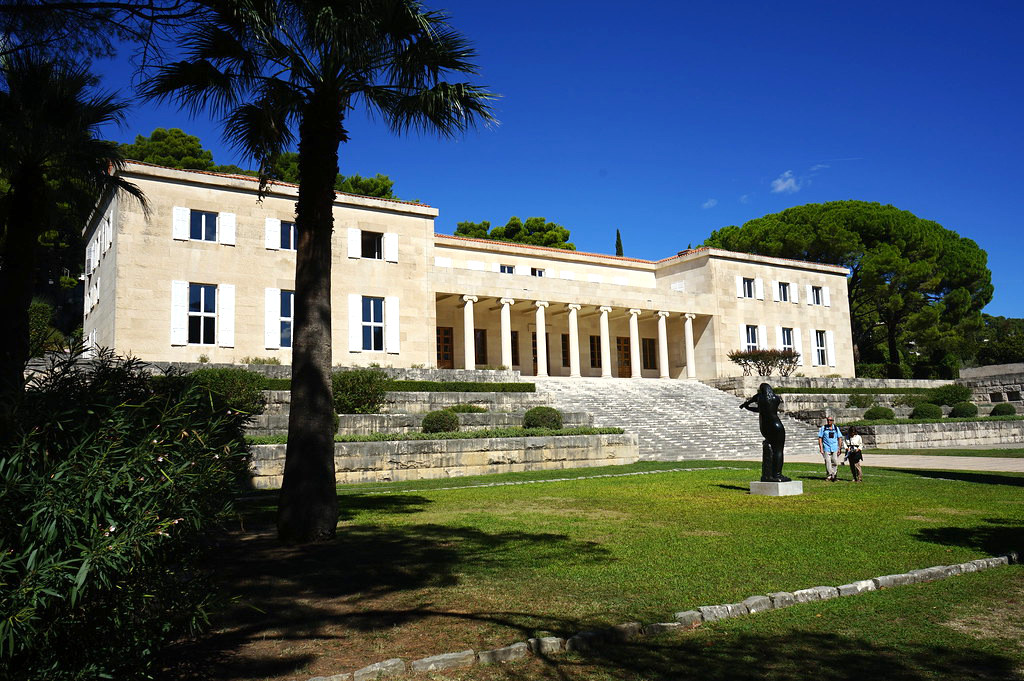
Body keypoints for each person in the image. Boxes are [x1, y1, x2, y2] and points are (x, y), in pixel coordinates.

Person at [739, 383, 791, 482]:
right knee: (778, 451)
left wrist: (746, 405)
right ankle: (777, 474)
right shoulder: (775, 398)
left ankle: (772, 474)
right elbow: (763, 408)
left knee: (773, 449)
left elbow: (755, 407)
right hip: (776, 426)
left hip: (765, 428)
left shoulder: (759, 398)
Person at [818, 416, 844, 481]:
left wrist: (839, 448)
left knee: (835, 461)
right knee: (827, 461)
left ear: (833, 421)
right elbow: (820, 438)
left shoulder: (836, 428)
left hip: (834, 447)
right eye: (828, 420)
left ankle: (834, 474)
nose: (829, 421)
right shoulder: (823, 428)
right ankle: (829, 475)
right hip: (826, 447)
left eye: (830, 420)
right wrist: (821, 448)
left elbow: (840, 438)